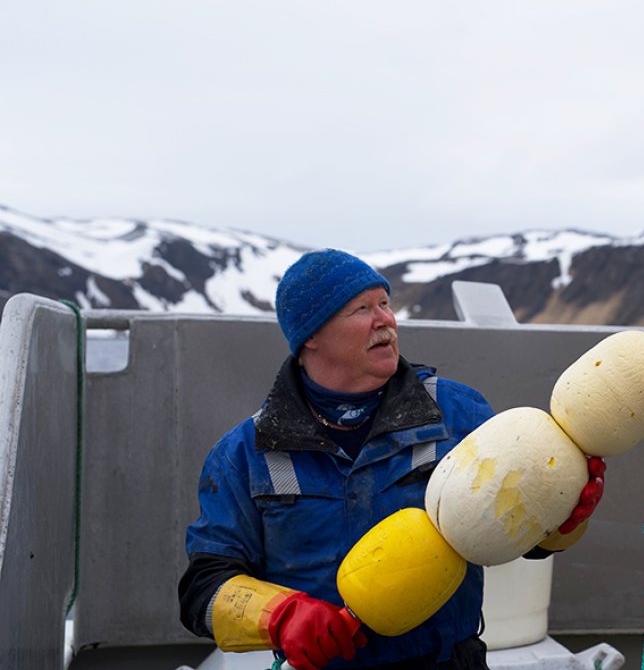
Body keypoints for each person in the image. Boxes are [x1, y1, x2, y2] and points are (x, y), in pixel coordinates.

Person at [179, 249, 604, 670]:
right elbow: (204, 588)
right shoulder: (245, 452)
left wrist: (564, 520)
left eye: (385, 303)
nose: (385, 320)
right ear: (310, 334)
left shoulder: (458, 414)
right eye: (361, 309)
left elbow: (522, 535)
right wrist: (282, 616)